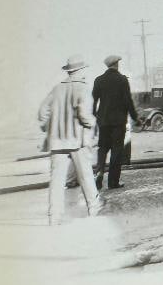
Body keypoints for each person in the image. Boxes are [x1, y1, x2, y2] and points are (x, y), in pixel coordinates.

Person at [38, 55, 103, 225]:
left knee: (57, 180)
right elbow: (84, 115)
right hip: (77, 141)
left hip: (57, 141)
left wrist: (48, 127)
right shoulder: (83, 88)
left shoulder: (57, 88)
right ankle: (94, 207)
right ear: (80, 71)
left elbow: (42, 112)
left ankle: (54, 216)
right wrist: (93, 123)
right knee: (85, 175)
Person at [91, 54, 139, 190]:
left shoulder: (98, 80)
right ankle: (113, 182)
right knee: (116, 151)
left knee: (102, 149)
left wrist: (95, 117)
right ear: (117, 64)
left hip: (103, 121)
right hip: (118, 121)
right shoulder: (122, 80)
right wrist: (135, 118)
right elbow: (128, 101)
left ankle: (99, 174)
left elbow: (93, 101)